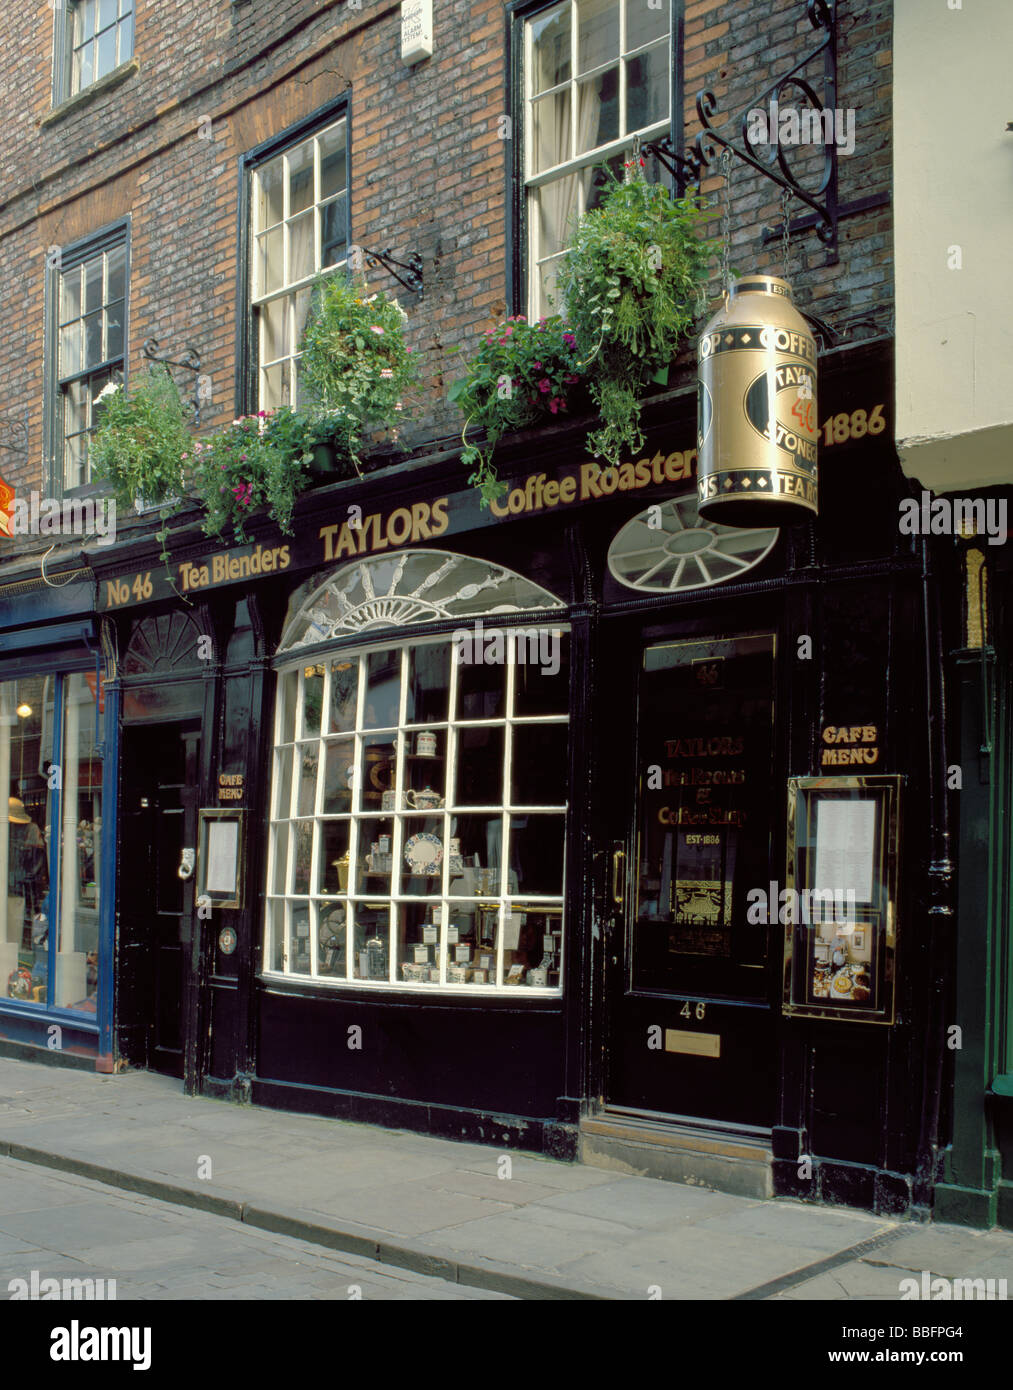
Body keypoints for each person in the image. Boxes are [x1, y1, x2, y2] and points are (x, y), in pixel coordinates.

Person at [8, 797, 49, 950]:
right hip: (15, 887)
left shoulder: (31, 830)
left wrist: (26, 881)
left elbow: (35, 864)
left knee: (15, 928)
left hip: (19, 890)